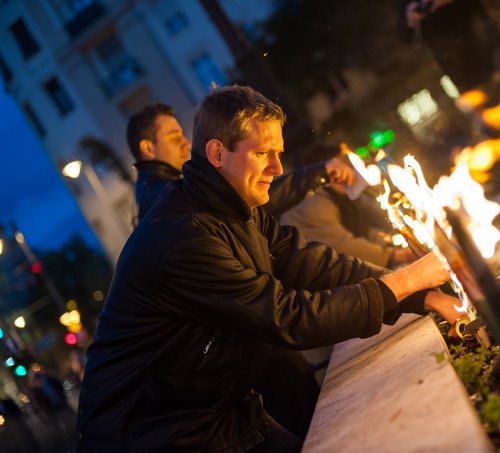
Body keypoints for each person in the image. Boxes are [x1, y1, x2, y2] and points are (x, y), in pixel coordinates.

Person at [78, 85, 463, 452]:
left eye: (278, 153)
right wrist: (408, 278)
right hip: (152, 433)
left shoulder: (235, 208)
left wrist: (419, 295)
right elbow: (287, 317)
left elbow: (311, 264)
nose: (277, 168)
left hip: (215, 406)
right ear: (216, 154)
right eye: (263, 153)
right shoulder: (184, 236)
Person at [398, 0, 500, 192]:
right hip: (461, 68)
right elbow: (404, 34)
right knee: (495, 117)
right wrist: (410, 21)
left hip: (484, 41)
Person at [126, 103, 354, 222]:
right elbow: (239, 200)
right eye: (175, 138)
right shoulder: (165, 196)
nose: (185, 144)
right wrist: (316, 174)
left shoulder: (159, 190)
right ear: (147, 147)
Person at [281, 145, 416, 268]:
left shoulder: (343, 197)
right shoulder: (312, 202)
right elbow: (343, 244)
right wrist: (396, 255)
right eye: (343, 163)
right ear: (327, 171)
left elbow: (362, 230)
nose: (350, 168)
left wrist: (387, 242)